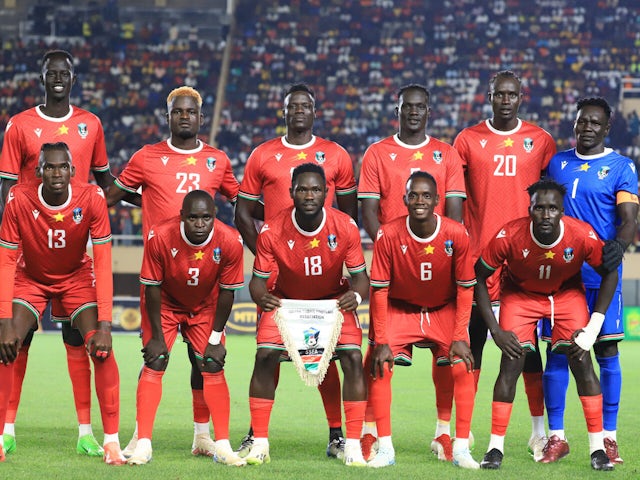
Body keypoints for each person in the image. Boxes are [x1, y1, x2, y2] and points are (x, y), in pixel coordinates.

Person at [0, 49, 136, 457]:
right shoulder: (19, 126)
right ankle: (5, 430)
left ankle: (95, 436)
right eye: (51, 72)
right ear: (41, 77)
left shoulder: (90, 125)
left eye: (65, 72)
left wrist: (142, 194)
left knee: (87, 341)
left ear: (73, 77)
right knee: (11, 341)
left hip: (75, 256)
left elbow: (105, 180)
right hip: (30, 247)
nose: (58, 78)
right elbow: (5, 187)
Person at [106, 85, 239, 458]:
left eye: (190, 112)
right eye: (177, 112)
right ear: (167, 116)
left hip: (205, 281)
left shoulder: (217, 160)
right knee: (156, 356)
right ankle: (141, 438)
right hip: (161, 277)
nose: (184, 117)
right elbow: (111, 196)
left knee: (206, 361)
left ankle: (202, 436)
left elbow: (240, 203)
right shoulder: (146, 157)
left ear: (201, 117)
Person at [234, 83, 357, 459]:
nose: (299, 111)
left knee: (328, 355)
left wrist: (336, 258)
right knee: (268, 353)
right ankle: (258, 435)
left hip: (325, 271)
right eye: (293, 106)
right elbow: (242, 213)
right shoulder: (262, 155)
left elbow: (348, 213)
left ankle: (338, 434)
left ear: (314, 111)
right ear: (283, 111)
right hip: (276, 273)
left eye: (306, 105)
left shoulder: (336, 154)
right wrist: (271, 257)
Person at [475, 178, 616, 471]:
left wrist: (593, 326)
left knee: (582, 361)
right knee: (511, 363)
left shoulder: (581, 235)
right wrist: (496, 331)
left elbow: (610, 274)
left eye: (552, 208)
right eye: (539, 208)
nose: (546, 214)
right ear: (530, 209)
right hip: (520, 295)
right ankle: (494, 448)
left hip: (566, 296)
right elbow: (478, 276)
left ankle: (598, 449)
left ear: (562, 210)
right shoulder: (509, 235)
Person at [358, 83, 466, 462]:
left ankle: (443, 434)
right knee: (378, 354)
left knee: (448, 357)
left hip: (439, 272)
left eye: (421, 106)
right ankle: (371, 432)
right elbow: (368, 213)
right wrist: (397, 249)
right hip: (393, 271)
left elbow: (455, 215)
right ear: (398, 109)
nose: (414, 112)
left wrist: (437, 255)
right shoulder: (377, 153)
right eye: (408, 106)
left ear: (428, 110)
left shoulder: (447, 153)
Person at [453, 70, 557, 459]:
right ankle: (460, 435)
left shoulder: (541, 141)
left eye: (512, 95)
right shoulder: (467, 140)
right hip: (479, 261)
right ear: (490, 97)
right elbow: (454, 200)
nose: (506, 100)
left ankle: (538, 432)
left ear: (521, 97)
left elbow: (552, 200)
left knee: (528, 353)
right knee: (472, 347)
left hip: (524, 262)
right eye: (500, 94)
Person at [0, 142, 125, 464]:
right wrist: (3, 321)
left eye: (62, 167)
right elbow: (6, 261)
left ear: (72, 170)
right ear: (38, 171)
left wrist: (107, 326)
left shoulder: (92, 198)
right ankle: (3, 435)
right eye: (49, 167)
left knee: (101, 350)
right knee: (6, 347)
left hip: (77, 278)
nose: (56, 173)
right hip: (30, 277)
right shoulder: (18, 198)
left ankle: (109, 441)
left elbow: (103, 260)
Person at [244, 163, 369, 467]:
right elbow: (257, 282)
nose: (309, 195)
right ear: (291, 193)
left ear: (327, 193)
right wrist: (264, 298)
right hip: (288, 304)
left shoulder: (345, 226)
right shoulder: (273, 230)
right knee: (264, 356)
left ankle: (351, 444)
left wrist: (356, 295)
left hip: (333, 305)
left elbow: (361, 278)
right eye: (302, 189)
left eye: (315, 189)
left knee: (353, 357)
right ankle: (259, 442)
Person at [542, 97, 639, 464]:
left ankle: (609, 438)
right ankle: (556, 437)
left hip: (601, 276)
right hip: (561, 277)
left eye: (595, 123)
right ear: (575, 123)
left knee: (606, 351)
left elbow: (628, 217)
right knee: (558, 353)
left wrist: (620, 246)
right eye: (582, 121)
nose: (587, 128)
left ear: (607, 127)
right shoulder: (557, 163)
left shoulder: (621, 166)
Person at [367, 171, 478, 469]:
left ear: (438, 201)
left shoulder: (456, 233)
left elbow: (466, 289)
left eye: (426, 196)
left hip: (443, 309)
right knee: (380, 365)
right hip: (400, 309)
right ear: (403, 199)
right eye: (413, 195)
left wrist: (458, 336)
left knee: (463, 366)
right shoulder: (387, 234)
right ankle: (386, 448)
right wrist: (381, 340)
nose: (419, 201)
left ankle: (460, 446)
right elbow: (378, 291)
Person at [126, 190, 245, 466]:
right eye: (193, 217)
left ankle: (223, 445)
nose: (200, 224)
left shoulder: (230, 240)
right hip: (165, 303)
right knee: (155, 360)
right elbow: (152, 289)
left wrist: (215, 338)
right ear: (182, 217)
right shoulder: (160, 236)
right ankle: (142, 442)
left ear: (215, 216)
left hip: (206, 305)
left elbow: (227, 293)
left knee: (212, 364)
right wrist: (156, 336)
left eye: (206, 218)